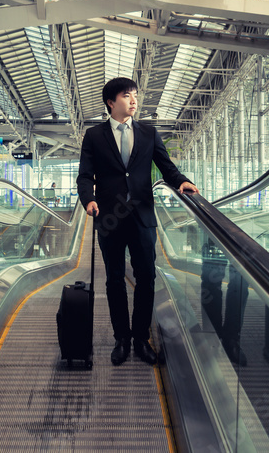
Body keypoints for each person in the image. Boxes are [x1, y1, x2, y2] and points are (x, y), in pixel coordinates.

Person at [77, 77, 199, 366]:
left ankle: (141, 338)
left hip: (143, 215)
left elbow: (166, 166)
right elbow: (85, 174)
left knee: (147, 277)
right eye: (126, 95)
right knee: (115, 280)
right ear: (111, 102)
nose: (133, 100)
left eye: (135, 95)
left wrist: (182, 182)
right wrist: (88, 199)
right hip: (109, 217)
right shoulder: (94, 136)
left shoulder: (148, 133)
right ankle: (122, 338)